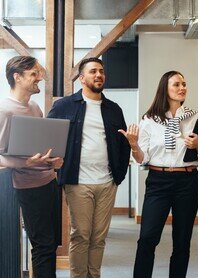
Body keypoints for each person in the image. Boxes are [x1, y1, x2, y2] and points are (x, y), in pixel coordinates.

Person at [119, 70, 198, 278]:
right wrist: (133, 145)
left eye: (184, 84)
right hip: (158, 182)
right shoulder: (149, 120)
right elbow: (142, 158)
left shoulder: (196, 118)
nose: (182, 88)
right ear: (165, 89)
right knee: (147, 238)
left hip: (188, 181)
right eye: (176, 84)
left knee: (182, 241)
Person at [47, 57, 130, 278]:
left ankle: (95, 275)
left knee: (99, 237)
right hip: (78, 182)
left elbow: (123, 144)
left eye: (101, 71)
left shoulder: (113, 109)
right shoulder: (63, 106)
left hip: (107, 182)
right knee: (81, 235)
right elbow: (49, 139)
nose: (99, 75)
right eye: (93, 71)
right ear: (82, 78)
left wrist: (118, 177)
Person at [0, 55, 63, 278]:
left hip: (49, 181)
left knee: (50, 245)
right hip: (29, 186)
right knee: (42, 245)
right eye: (33, 74)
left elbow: (38, 147)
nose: (39, 78)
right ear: (17, 77)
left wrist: (52, 161)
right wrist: (26, 163)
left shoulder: (34, 107)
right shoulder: (3, 111)